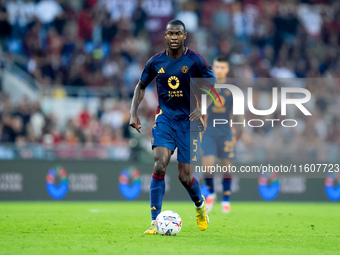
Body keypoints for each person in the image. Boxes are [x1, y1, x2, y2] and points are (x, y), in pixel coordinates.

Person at [129, 19, 217, 234]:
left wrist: (203, 107)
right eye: (171, 33)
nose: (174, 37)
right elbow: (140, 86)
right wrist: (133, 113)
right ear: (165, 36)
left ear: (185, 36)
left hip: (190, 123)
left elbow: (213, 85)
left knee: (184, 177)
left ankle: (199, 205)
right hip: (165, 120)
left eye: (178, 33)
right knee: (159, 164)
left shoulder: (196, 60)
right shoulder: (155, 62)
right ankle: (153, 221)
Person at [201, 56, 250, 213]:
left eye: (222, 67)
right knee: (207, 165)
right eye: (216, 67)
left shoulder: (232, 90)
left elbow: (238, 115)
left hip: (226, 132)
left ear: (226, 69)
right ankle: (211, 194)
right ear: (213, 68)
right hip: (209, 132)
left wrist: (242, 131)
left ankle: (226, 199)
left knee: (227, 166)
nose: (219, 70)